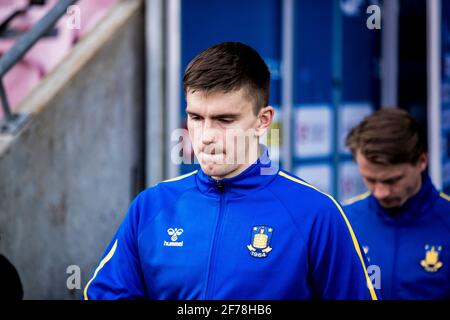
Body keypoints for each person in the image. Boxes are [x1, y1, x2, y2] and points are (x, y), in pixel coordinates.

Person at [83, 42, 377, 300]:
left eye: (224, 119)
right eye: (196, 117)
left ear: (263, 121)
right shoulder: (151, 207)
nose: (206, 135)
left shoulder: (317, 214)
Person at [344, 108, 450, 299]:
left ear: (422, 161)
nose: (380, 192)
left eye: (392, 180)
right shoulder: (343, 221)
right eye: (369, 179)